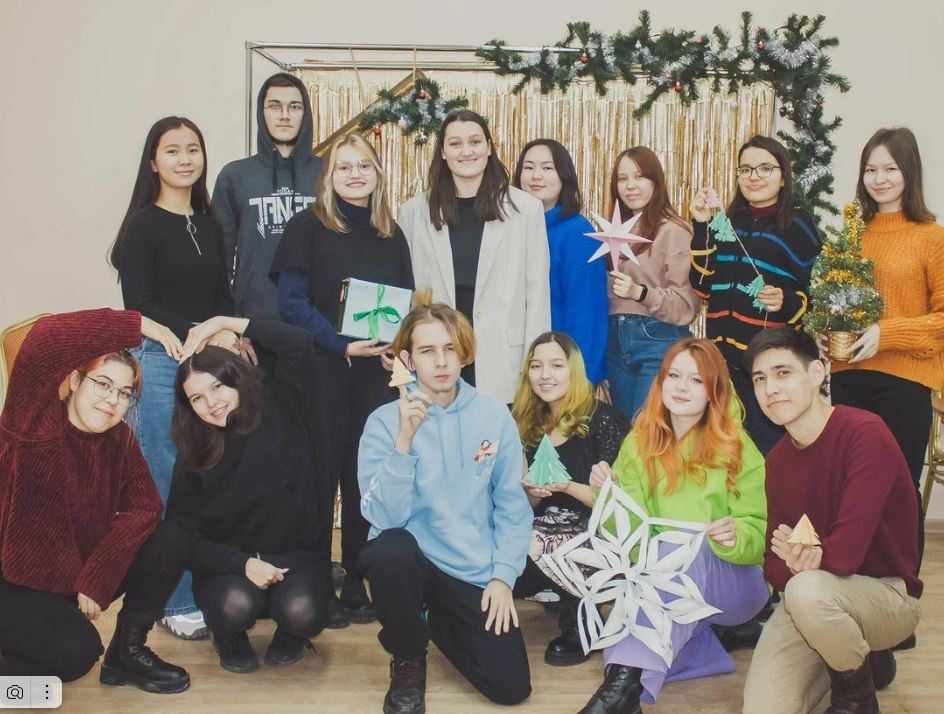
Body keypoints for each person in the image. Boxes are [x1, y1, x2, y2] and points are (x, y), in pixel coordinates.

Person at [542, 338, 768, 714]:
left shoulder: (739, 447)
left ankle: (618, 692)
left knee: (678, 550)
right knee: (641, 610)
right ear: (660, 381)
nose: (681, 387)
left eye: (696, 380)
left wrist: (734, 535)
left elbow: (757, 537)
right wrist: (611, 497)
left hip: (735, 585)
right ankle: (625, 689)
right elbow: (629, 541)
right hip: (666, 588)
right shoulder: (639, 443)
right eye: (673, 376)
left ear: (714, 390)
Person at [0, 309, 189, 693]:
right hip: (14, 582)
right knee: (76, 655)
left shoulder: (120, 440)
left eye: (124, 393)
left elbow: (145, 508)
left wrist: (99, 575)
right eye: (103, 384)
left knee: (170, 540)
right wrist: (141, 325)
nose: (112, 400)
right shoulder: (33, 423)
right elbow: (45, 337)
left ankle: (126, 655)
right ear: (74, 381)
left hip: (70, 580)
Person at [357, 300, 532, 713]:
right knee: (389, 551)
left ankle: (433, 617)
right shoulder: (383, 421)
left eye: (450, 348)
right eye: (427, 350)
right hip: (412, 561)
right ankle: (408, 654)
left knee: (511, 687)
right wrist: (404, 441)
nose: (441, 361)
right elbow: (383, 518)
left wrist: (503, 577)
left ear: (464, 352)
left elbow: (512, 506)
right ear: (407, 359)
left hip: (470, 568)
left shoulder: (494, 416)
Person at [270, 133, 415, 628]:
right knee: (319, 478)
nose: (355, 175)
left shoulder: (391, 235)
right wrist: (338, 344)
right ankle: (314, 581)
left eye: (364, 166)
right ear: (329, 177)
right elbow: (291, 303)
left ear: (377, 174)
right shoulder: (307, 226)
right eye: (344, 167)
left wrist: (395, 346)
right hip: (321, 371)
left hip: (374, 377)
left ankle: (356, 577)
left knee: (362, 479)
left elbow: (402, 304)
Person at [742, 328, 921, 714]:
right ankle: (859, 659)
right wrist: (801, 561)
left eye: (783, 372)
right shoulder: (777, 461)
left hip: (887, 596)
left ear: (817, 373)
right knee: (763, 709)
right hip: (813, 600)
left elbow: (846, 554)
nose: (771, 388)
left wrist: (807, 559)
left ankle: (857, 699)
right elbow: (774, 564)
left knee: (806, 590)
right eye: (760, 379)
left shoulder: (864, 433)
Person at [109, 116, 239, 640]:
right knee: (165, 483)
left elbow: (222, 297)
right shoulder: (143, 226)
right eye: (172, 150)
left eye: (193, 149)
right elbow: (139, 305)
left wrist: (229, 333)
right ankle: (174, 599)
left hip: (206, 361)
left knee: (210, 478)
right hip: (161, 359)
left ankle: (207, 586)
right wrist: (203, 331)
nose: (185, 159)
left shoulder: (209, 223)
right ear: (153, 162)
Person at [166, 315, 330, 673]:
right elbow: (183, 537)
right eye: (197, 398)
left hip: (296, 557)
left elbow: (298, 342)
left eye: (217, 387)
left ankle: (290, 634)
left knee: (302, 612)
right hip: (230, 566)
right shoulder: (193, 452)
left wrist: (224, 322)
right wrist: (241, 564)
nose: (211, 403)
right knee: (234, 606)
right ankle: (229, 636)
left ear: (235, 377)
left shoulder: (283, 406)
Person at [829, 127, 944, 560]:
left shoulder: (931, 237)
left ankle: (902, 586)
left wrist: (886, 333)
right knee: (853, 488)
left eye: (890, 169)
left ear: (909, 172)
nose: (879, 179)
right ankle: (858, 579)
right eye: (871, 170)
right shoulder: (850, 234)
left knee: (898, 487)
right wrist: (826, 330)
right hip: (848, 377)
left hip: (904, 381)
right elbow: (834, 299)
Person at [397, 108, 551, 403]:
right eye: (455, 144)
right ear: (443, 152)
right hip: (437, 359)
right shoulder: (413, 212)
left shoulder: (526, 209)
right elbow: (405, 289)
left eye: (475, 142)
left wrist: (537, 361)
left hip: (503, 359)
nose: (466, 151)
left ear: (489, 147)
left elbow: (537, 293)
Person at [690, 135, 822, 454]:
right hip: (723, 364)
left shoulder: (798, 225)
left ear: (783, 176)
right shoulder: (726, 222)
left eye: (765, 168)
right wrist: (701, 225)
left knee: (770, 456)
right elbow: (701, 286)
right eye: (746, 169)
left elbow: (818, 297)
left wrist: (786, 302)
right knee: (725, 454)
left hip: (769, 368)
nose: (754, 177)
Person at [510, 332, 628, 666]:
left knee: (547, 537)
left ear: (574, 370)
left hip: (595, 534)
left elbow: (618, 505)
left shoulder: (605, 421)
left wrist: (567, 486)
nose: (544, 375)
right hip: (536, 533)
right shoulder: (522, 422)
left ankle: (580, 617)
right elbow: (523, 506)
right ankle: (557, 591)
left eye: (556, 366)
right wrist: (531, 495)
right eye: (536, 366)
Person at [213, 72, 322, 321]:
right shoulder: (235, 176)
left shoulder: (328, 173)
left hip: (317, 321)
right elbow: (221, 258)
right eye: (274, 106)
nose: (284, 115)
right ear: (261, 113)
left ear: (305, 114)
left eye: (294, 107)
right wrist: (228, 321)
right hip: (252, 323)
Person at [605, 147, 698, 421]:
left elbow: (686, 305)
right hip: (614, 343)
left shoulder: (674, 230)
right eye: (622, 179)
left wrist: (641, 293)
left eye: (639, 177)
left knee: (647, 430)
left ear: (656, 181)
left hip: (657, 340)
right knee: (624, 432)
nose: (630, 186)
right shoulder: (612, 232)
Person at [512, 139, 608, 385]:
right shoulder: (507, 229)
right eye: (528, 167)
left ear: (564, 176)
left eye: (547, 168)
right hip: (511, 365)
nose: (536, 175)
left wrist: (580, 375)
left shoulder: (578, 234)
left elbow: (586, 313)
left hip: (558, 373)